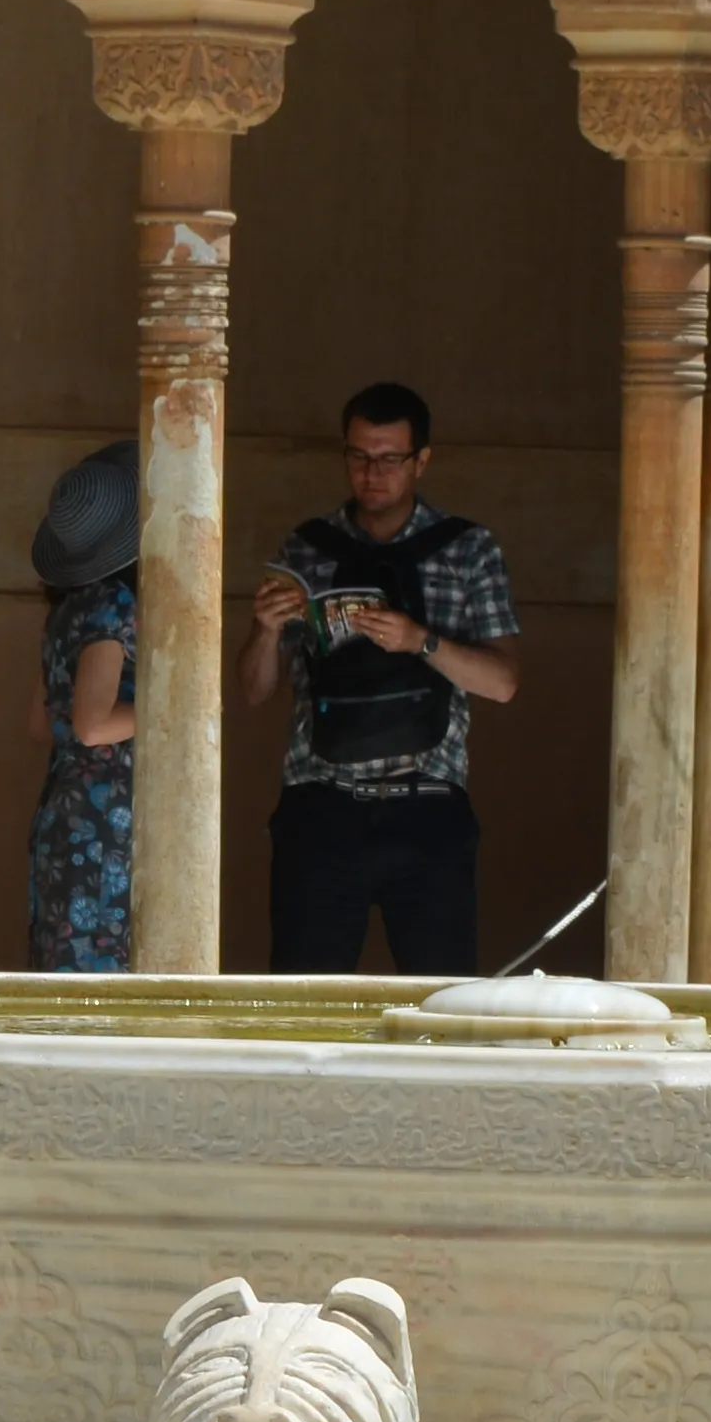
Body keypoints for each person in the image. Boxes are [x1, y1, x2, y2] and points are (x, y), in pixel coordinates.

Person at [240, 381, 519, 979]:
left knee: (441, 1002)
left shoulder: (468, 550)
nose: (372, 473)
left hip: (428, 806)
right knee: (302, 1003)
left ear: (422, 460)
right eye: (360, 456)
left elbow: (502, 682)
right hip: (320, 804)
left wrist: (419, 640)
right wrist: (264, 630)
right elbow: (255, 691)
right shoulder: (308, 548)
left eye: (390, 458)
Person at [23, 438, 142, 974]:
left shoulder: (65, 611)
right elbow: (93, 725)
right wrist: (183, 712)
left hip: (65, 816)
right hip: (105, 826)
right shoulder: (114, 606)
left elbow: (41, 723)